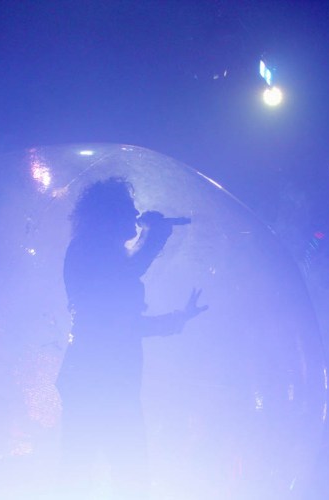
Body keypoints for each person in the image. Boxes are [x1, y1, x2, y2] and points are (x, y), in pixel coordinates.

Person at [56, 177, 206, 499]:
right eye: (128, 208)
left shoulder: (96, 250)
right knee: (116, 469)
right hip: (96, 377)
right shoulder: (90, 250)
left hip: (102, 376)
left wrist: (177, 319)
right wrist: (156, 235)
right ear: (108, 213)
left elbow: (123, 304)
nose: (135, 214)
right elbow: (116, 317)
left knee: (110, 468)